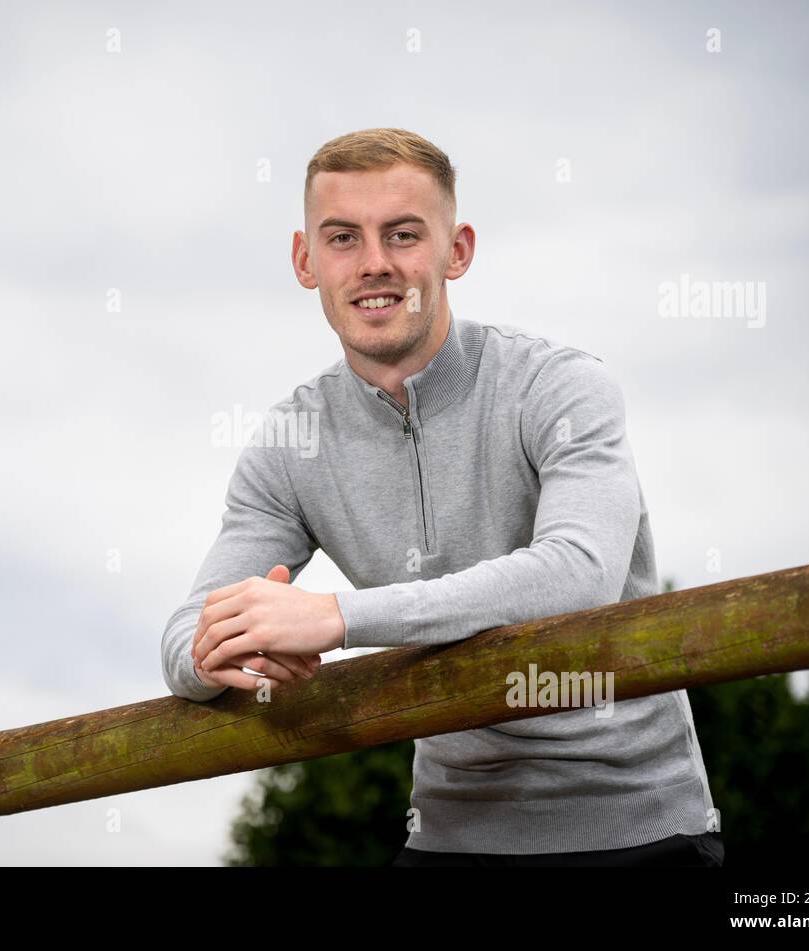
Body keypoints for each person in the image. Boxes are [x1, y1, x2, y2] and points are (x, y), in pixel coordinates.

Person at [160, 127, 721, 866]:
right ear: (306, 261)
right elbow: (184, 635)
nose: (374, 265)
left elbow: (577, 572)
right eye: (341, 238)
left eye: (402, 235)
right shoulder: (290, 440)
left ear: (457, 250)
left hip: (642, 831)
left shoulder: (560, 386)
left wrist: (334, 618)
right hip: (450, 843)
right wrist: (219, 655)